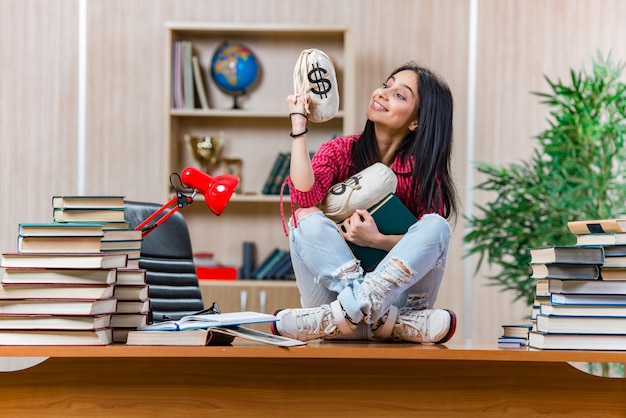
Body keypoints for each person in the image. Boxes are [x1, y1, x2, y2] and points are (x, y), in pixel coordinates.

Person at [271, 61, 459, 343]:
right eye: (387, 85)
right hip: (353, 300)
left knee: (437, 227)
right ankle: (370, 314)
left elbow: (428, 246)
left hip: (390, 302)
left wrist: (377, 240)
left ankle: (342, 316)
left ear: (416, 121)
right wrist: (299, 124)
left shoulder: (423, 173)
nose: (383, 93)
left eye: (400, 95)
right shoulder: (339, 151)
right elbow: (303, 197)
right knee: (303, 217)